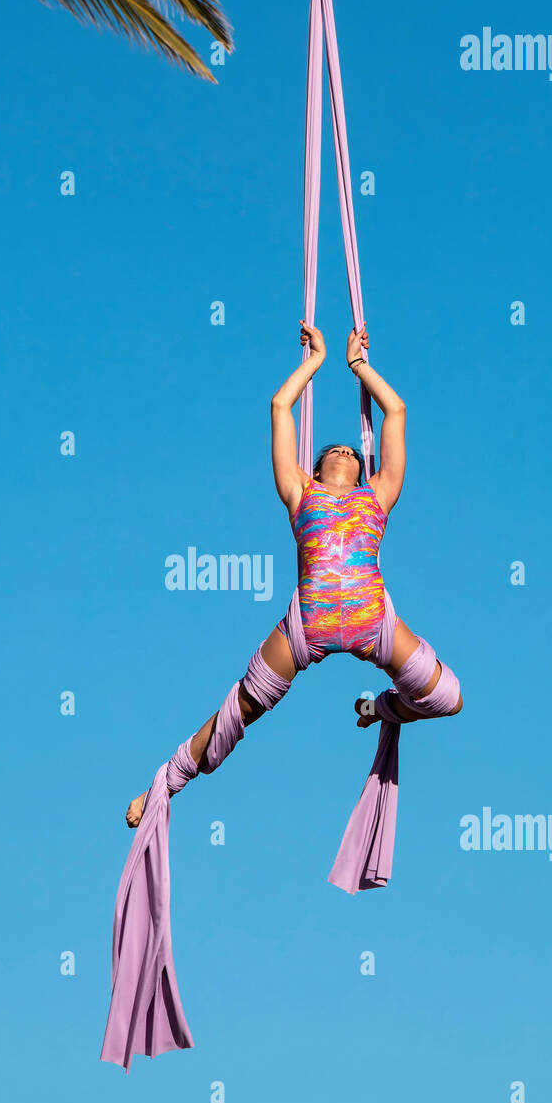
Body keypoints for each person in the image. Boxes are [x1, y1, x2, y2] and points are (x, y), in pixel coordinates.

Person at [126, 320, 462, 828]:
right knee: (237, 712)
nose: (346, 450)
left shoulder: (380, 494)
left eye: (352, 449)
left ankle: (381, 711)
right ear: (318, 464)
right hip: (308, 625)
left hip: (375, 624)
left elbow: (396, 410)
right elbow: (281, 407)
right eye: (335, 449)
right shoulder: (300, 492)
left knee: (448, 700)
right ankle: (165, 784)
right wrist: (314, 362)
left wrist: (359, 367)